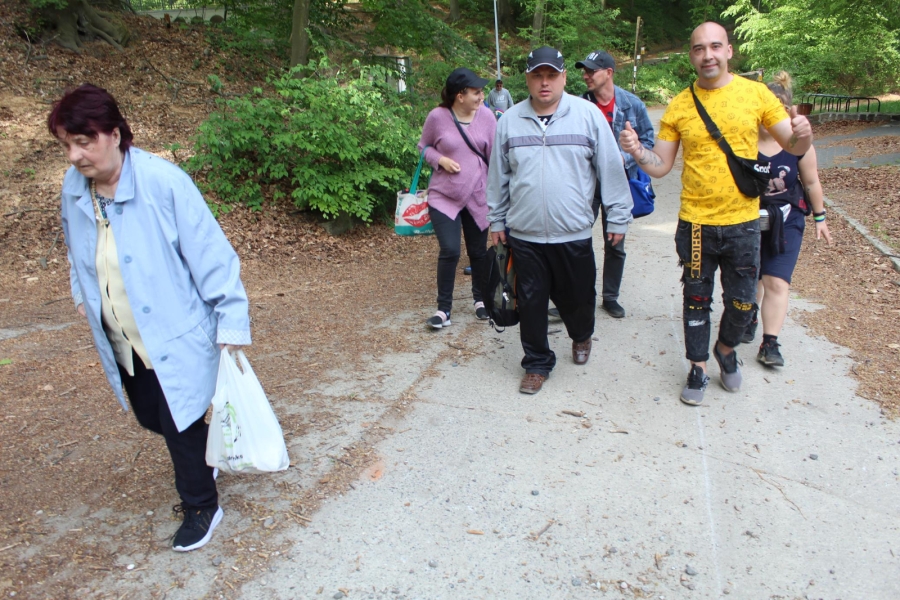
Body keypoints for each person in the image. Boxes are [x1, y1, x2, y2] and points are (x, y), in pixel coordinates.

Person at [49, 84, 251, 551]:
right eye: (67, 144)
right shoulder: (73, 186)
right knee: (149, 414)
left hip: (171, 327)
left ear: (115, 134)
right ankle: (205, 453)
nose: (76, 155)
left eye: (85, 141)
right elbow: (74, 247)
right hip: (121, 331)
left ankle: (202, 504)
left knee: (175, 415)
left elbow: (212, 255)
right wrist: (83, 292)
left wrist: (231, 323)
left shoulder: (164, 182)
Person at [619, 22, 813, 406]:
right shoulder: (680, 104)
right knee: (695, 299)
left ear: (728, 51)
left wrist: (804, 132)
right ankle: (697, 366)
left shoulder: (756, 94)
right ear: (691, 55)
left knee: (743, 304)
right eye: (698, 49)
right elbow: (661, 166)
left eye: (714, 47)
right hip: (695, 223)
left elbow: (792, 142)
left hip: (743, 222)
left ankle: (725, 349)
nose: (707, 55)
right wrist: (636, 151)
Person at [487, 46, 632, 395]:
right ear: (527, 79)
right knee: (533, 301)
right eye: (537, 75)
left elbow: (610, 169)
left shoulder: (587, 116)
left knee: (578, 298)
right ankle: (537, 363)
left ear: (564, 77)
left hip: (574, 232)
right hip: (525, 235)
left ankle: (581, 335)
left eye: (552, 75)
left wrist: (618, 217)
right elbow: (498, 177)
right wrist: (496, 220)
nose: (544, 82)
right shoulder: (509, 121)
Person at [745, 71, 832, 366]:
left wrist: (820, 218)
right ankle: (749, 314)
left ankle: (770, 343)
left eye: (779, 108)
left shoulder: (798, 145)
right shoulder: (743, 141)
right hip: (748, 218)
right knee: (751, 275)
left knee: (776, 280)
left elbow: (811, 183)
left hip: (788, 219)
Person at [575, 49, 655, 319]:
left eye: (591, 71)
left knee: (615, 242)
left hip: (618, 182)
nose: (585, 75)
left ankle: (610, 297)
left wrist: (626, 157)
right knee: (577, 241)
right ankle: (577, 297)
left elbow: (648, 141)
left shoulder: (632, 104)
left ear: (608, 73)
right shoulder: (578, 104)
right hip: (586, 184)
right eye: (584, 71)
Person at [418, 68, 497, 329]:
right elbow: (424, 147)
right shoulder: (437, 117)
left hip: (477, 196)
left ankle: (481, 301)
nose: (482, 96)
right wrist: (438, 159)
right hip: (444, 195)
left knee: (478, 252)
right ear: (459, 95)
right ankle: (444, 311)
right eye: (476, 92)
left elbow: (495, 156)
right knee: (450, 250)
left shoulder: (486, 117)